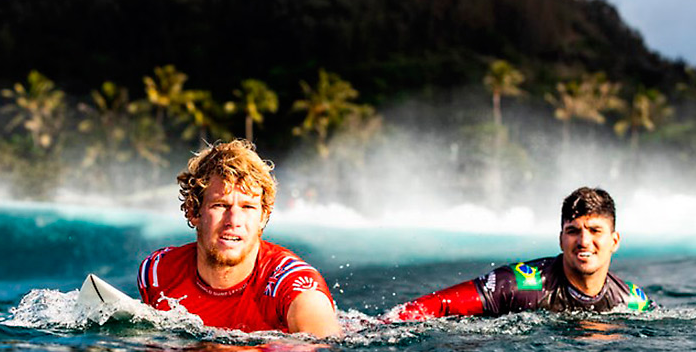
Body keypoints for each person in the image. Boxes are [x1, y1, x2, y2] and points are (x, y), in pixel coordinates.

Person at [138, 140, 341, 337]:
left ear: (263, 216)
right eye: (220, 205)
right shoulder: (159, 272)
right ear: (194, 211)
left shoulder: (297, 291)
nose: (233, 221)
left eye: (248, 207)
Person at [390, 186, 654, 320]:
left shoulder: (632, 301)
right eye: (573, 231)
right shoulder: (518, 283)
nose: (584, 241)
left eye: (595, 230)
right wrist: (374, 327)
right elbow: (437, 306)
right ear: (561, 239)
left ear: (614, 241)